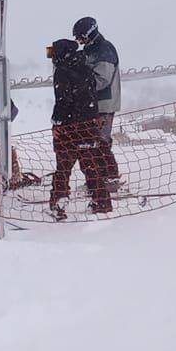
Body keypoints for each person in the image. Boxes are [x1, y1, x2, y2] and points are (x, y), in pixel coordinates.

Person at [45, 37, 109, 219]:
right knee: (90, 165)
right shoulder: (86, 68)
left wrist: (56, 122)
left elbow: (63, 101)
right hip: (89, 125)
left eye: (53, 53)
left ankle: (59, 204)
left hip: (70, 129)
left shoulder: (63, 72)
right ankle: (102, 202)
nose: (52, 58)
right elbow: (91, 96)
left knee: (63, 168)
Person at [73, 14, 121, 191]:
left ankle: (110, 179)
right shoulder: (90, 50)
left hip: (104, 104)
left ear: (89, 33)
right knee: (94, 142)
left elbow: (102, 80)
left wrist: (78, 80)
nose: (79, 41)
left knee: (101, 141)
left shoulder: (104, 50)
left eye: (80, 37)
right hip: (93, 104)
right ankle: (99, 179)